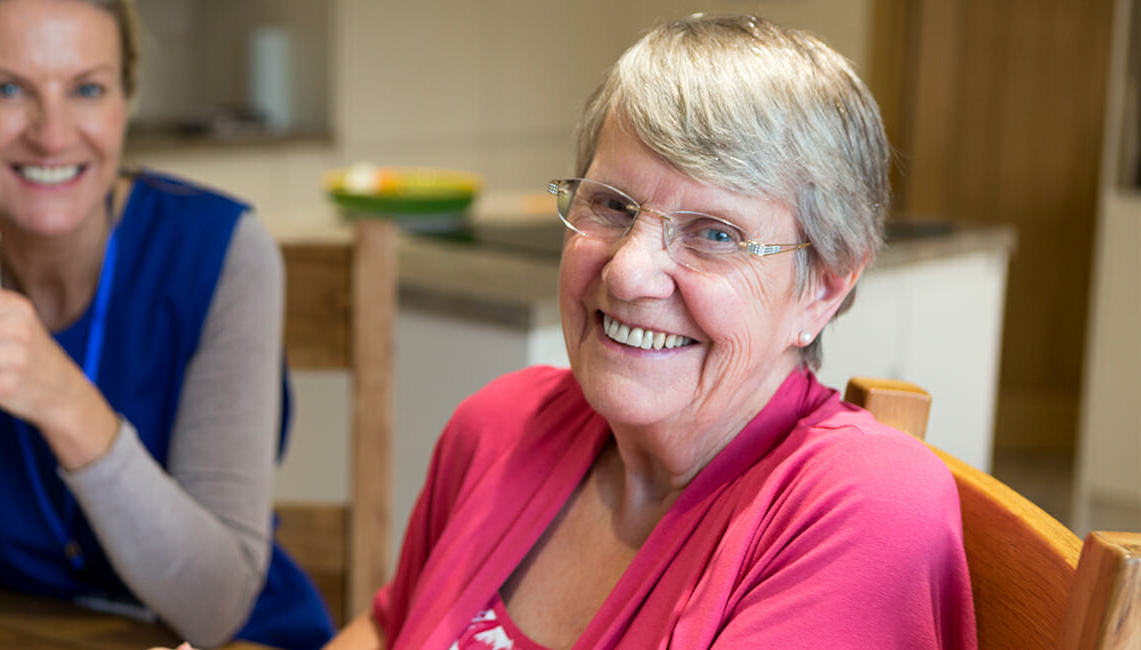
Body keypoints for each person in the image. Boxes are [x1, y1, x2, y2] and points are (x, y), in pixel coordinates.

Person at [326, 13, 976, 649]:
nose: (629, 272)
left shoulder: (866, 509)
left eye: (715, 234)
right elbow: (389, 627)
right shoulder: (499, 426)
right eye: (611, 204)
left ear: (826, 284)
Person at [0, 1, 332, 648]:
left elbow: (216, 607)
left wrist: (63, 400)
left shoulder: (224, 254)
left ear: (125, 101)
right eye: (7, 89)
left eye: (86, 89)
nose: (53, 135)